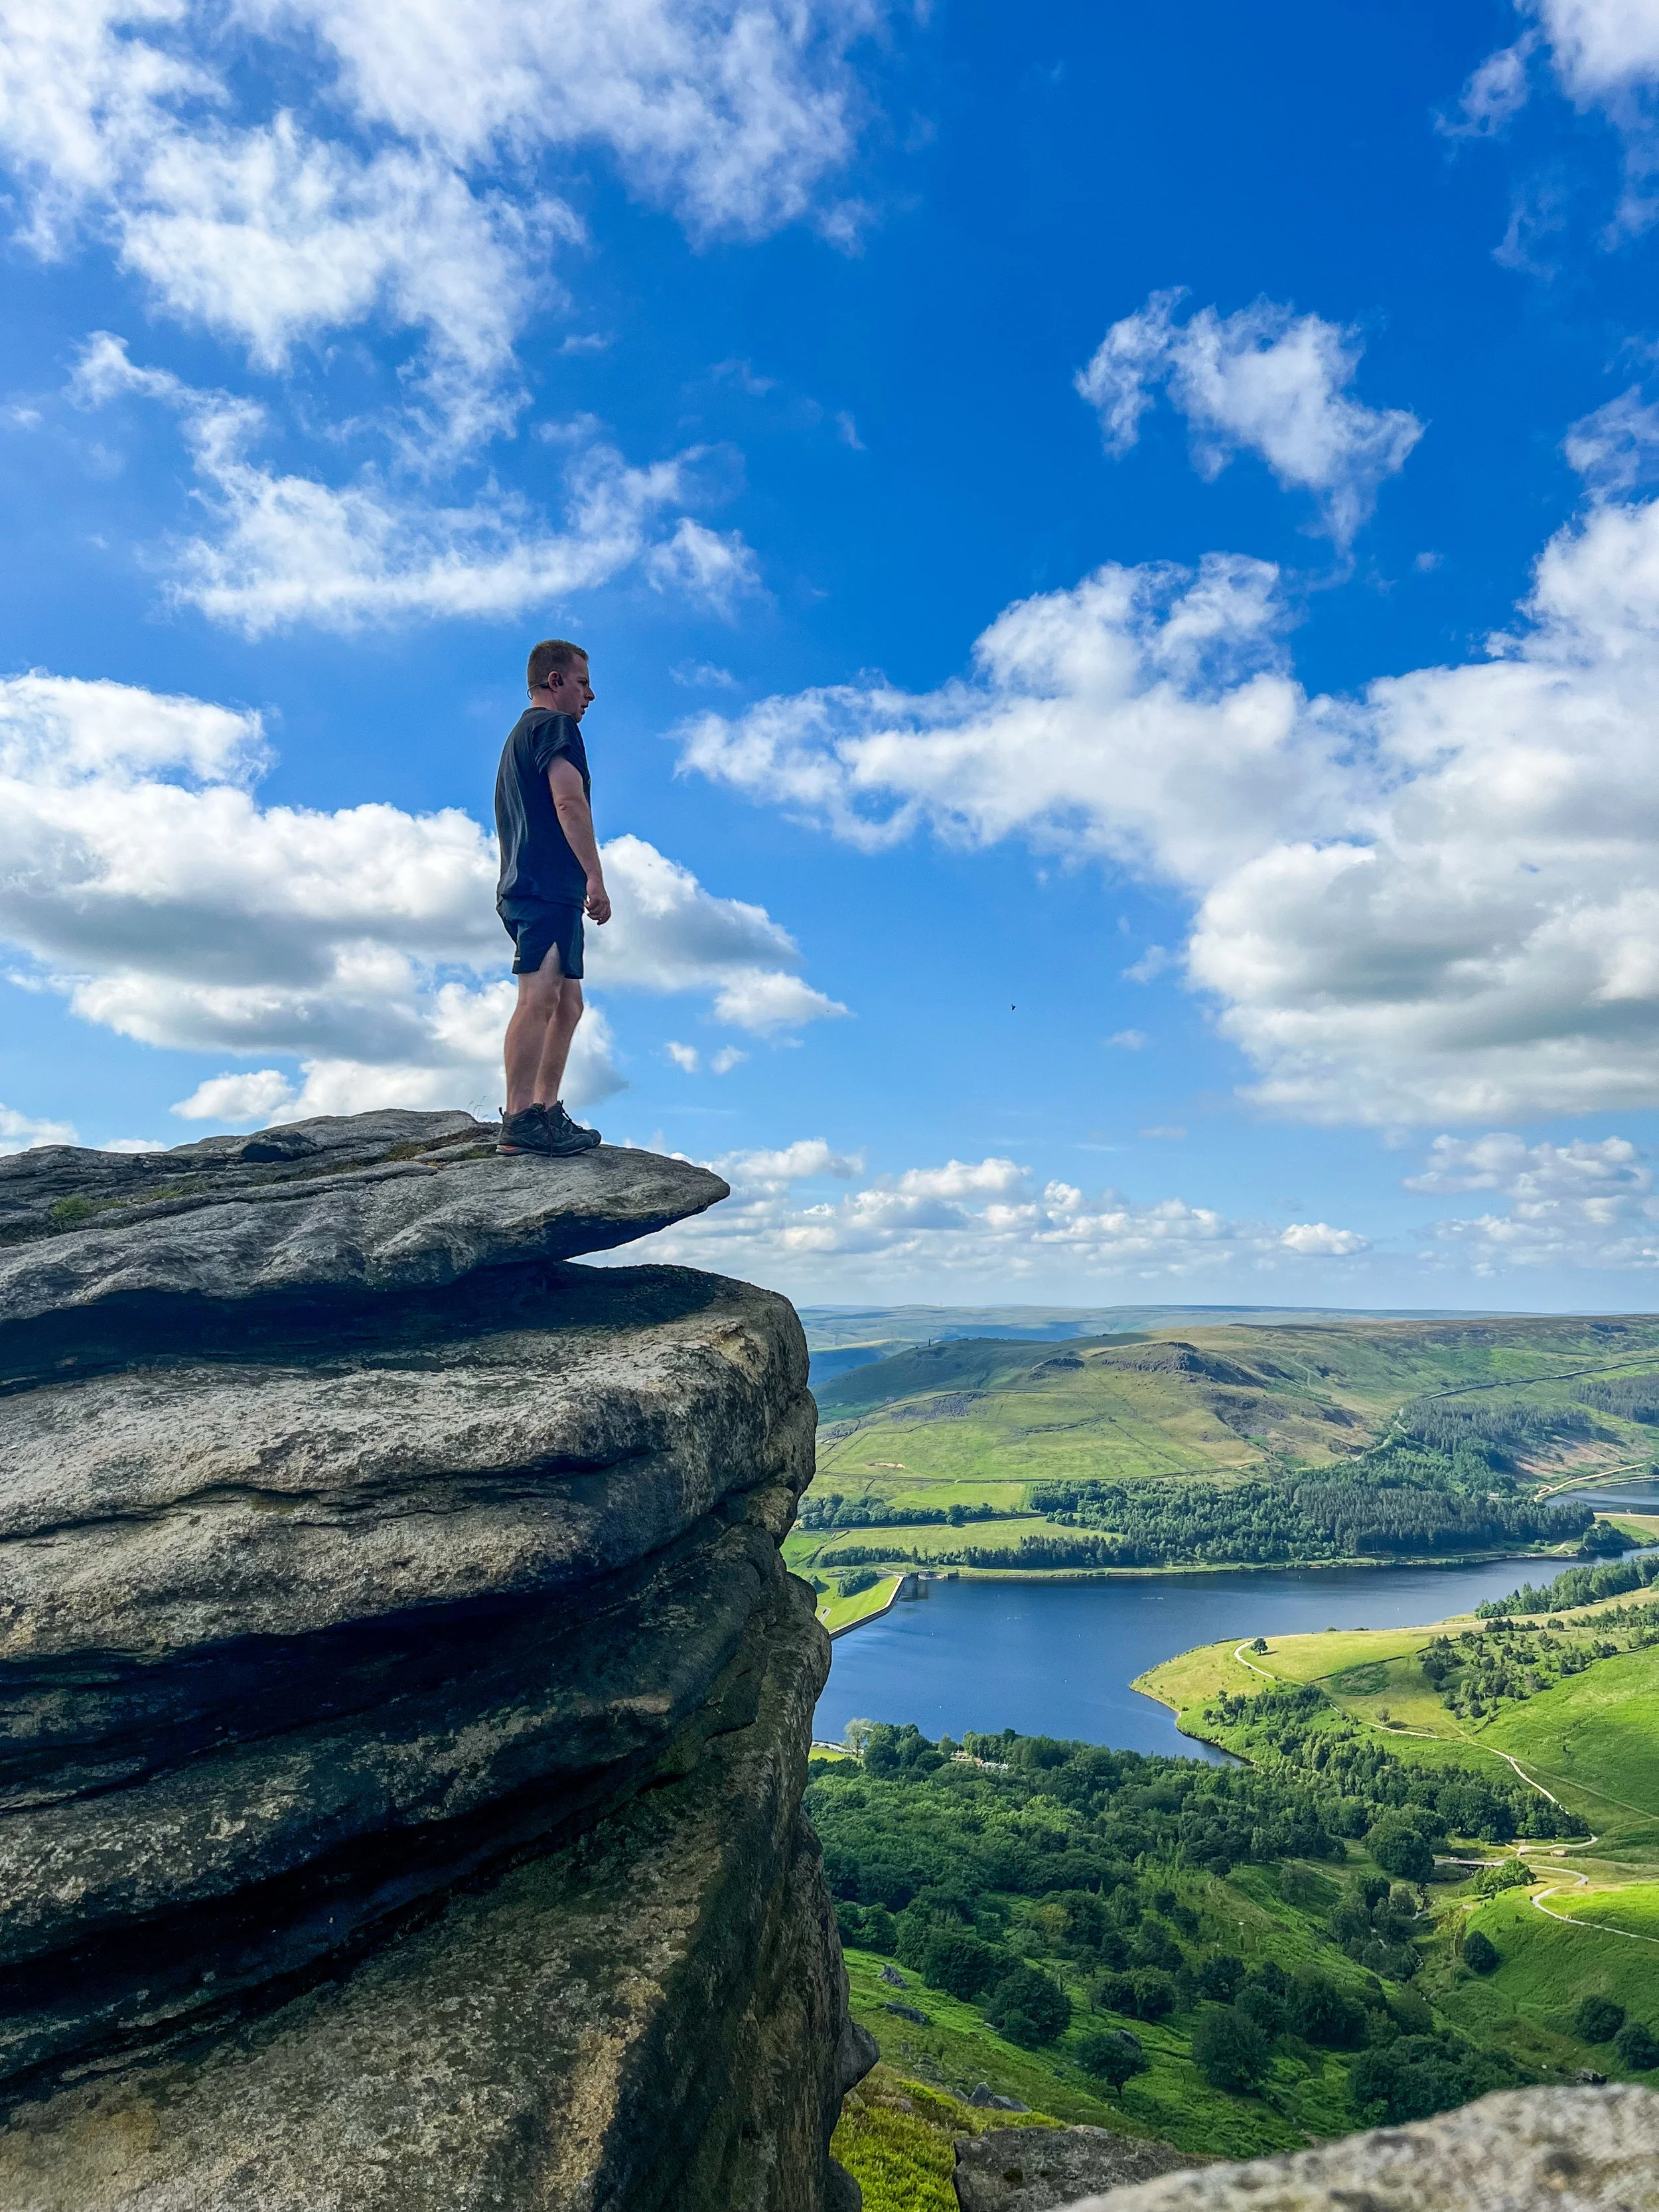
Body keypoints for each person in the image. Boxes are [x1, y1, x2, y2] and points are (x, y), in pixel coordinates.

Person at [494, 638, 612, 1155]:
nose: (591, 695)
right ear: (556, 681)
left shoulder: (519, 736)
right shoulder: (553, 727)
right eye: (583, 683)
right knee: (540, 996)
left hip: (531, 885)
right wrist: (595, 877)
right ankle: (521, 1118)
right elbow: (569, 802)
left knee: (567, 1000)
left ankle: (544, 1110)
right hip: (545, 885)